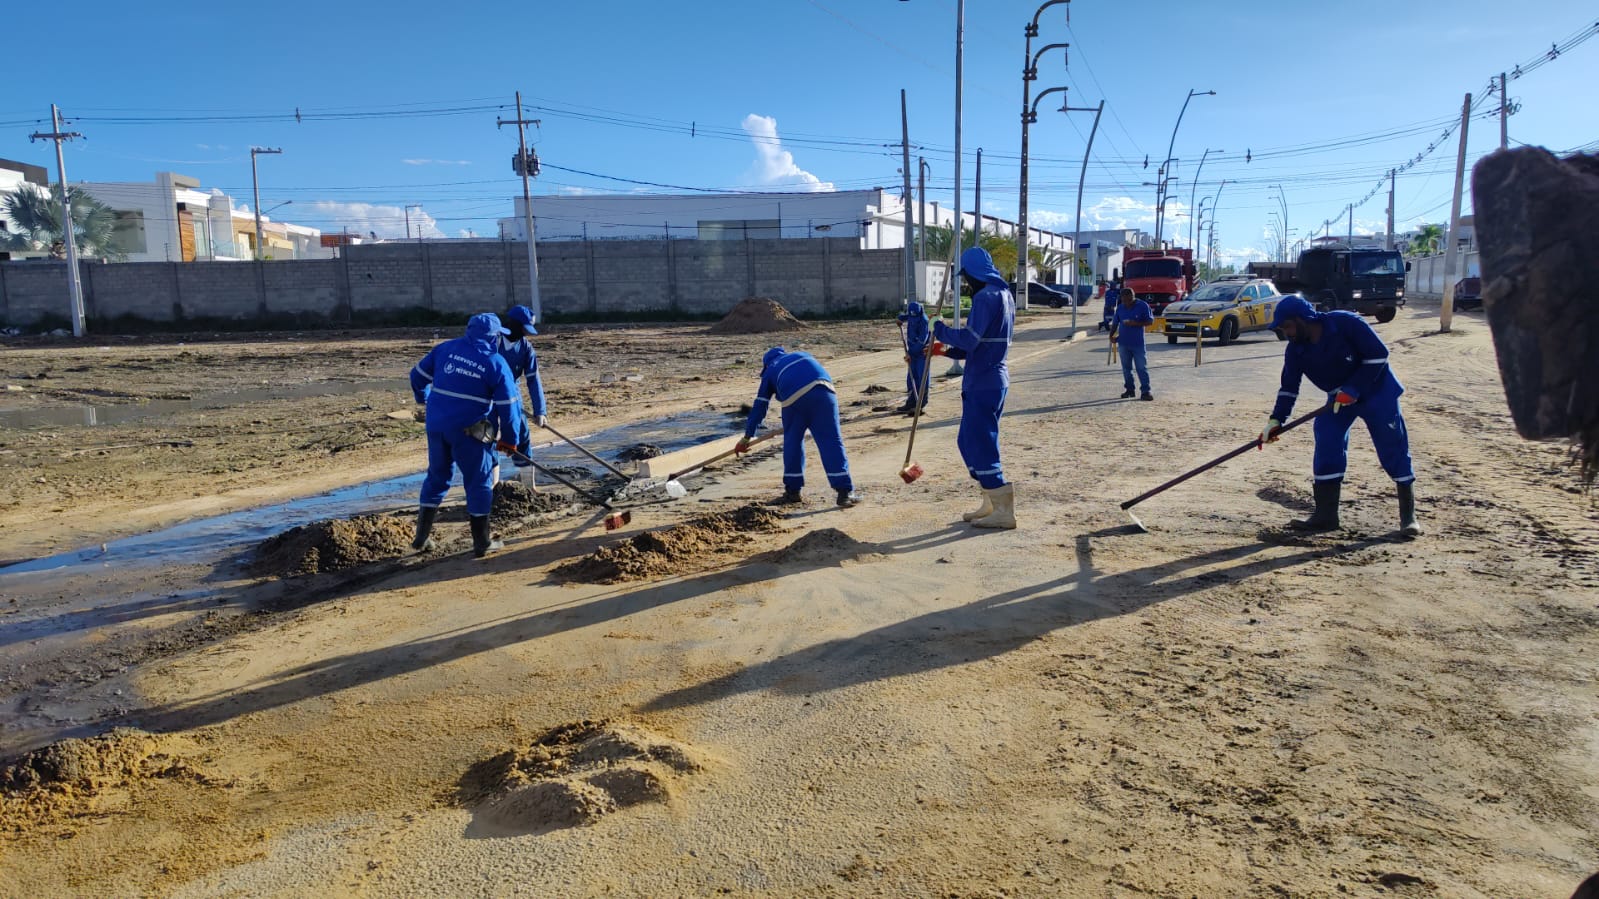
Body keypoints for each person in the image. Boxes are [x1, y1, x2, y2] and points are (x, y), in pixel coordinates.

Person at [1261, 294, 1420, 536]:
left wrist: (1354, 388)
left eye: (1288, 326)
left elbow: (1379, 354)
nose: (1286, 333)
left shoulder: (1345, 323)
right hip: (1339, 400)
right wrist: (1276, 420)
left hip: (1378, 392)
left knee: (1392, 447)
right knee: (1327, 437)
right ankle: (1326, 516)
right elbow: (1289, 388)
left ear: (1303, 320)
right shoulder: (1296, 350)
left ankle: (1408, 518)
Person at [409, 312, 524, 557]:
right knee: (479, 480)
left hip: (436, 426)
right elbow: (509, 407)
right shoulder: (495, 363)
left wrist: (424, 399)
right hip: (469, 431)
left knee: (437, 477)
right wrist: (510, 441)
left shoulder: (445, 349)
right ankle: (482, 542)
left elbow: (416, 377)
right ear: (493, 337)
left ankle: (421, 538)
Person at [930, 246, 1017, 529]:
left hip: (984, 382)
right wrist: (944, 352)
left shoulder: (985, 297)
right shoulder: (1004, 295)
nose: (966, 282)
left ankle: (1003, 509)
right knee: (967, 441)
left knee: (980, 443)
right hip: (989, 379)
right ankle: (991, 500)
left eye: (966, 276)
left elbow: (969, 340)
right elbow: (978, 345)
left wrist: (940, 328)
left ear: (976, 274)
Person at [737, 347, 861, 507]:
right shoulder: (802, 354)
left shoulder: (770, 370)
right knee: (831, 440)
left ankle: (792, 492)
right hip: (825, 392)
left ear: (766, 364)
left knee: (793, 442)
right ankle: (844, 493)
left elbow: (760, 405)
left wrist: (747, 437)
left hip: (794, 400)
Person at [496, 304, 548, 481]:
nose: (526, 334)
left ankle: (528, 484)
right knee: (488, 435)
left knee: (522, 433)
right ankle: (490, 485)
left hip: (512, 395)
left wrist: (540, 411)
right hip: (489, 395)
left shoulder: (526, 348)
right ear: (514, 324)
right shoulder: (492, 341)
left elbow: (533, 380)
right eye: (524, 329)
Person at [1113, 288, 1155, 401]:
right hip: (1123, 343)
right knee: (1126, 369)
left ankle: (1146, 391)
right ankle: (1129, 390)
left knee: (1141, 367)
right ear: (1121, 299)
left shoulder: (1143, 306)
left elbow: (1150, 321)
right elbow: (1115, 323)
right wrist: (1112, 335)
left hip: (1138, 343)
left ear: (1133, 296)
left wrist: (1136, 323)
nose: (1127, 303)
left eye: (1129, 299)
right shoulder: (1120, 308)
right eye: (1124, 300)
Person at [896, 299, 932, 414]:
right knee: (911, 378)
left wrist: (911, 353)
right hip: (912, 352)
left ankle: (921, 402)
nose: (913, 319)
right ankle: (911, 402)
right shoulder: (912, 315)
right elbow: (905, 317)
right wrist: (900, 318)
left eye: (915, 317)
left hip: (922, 353)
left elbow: (923, 340)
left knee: (922, 377)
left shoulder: (924, 321)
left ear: (920, 312)